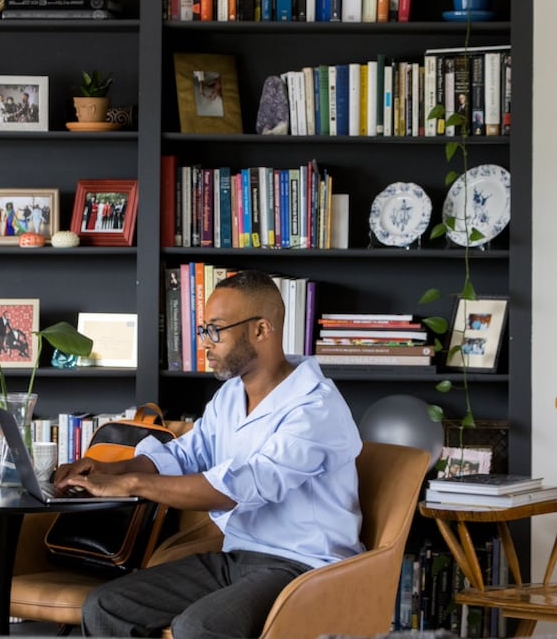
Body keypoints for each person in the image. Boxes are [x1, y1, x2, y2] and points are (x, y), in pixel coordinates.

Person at [56, 270, 363, 639]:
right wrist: (107, 468)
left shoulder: (315, 407)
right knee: (105, 607)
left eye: (215, 329)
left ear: (261, 330)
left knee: (199, 627)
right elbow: (184, 455)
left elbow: (236, 488)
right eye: (204, 330)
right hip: (237, 558)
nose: (205, 342)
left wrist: (131, 483)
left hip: (303, 567)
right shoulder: (230, 396)